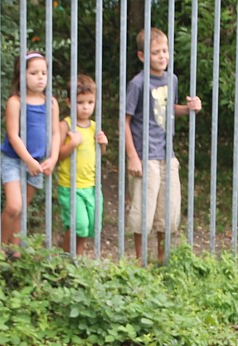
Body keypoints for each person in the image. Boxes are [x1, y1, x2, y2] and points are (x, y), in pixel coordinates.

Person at [125, 27, 201, 263]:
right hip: (145, 156)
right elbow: (124, 121)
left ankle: (161, 258)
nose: (162, 56)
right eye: (156, 52)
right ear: (142, 56)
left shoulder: (172, 79)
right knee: (143, 211)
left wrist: (189, 108)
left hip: (167, 154)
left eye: (165, 51)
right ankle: (140, 261)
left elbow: (169, 109)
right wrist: (132, 156)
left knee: (167, 210)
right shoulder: (138, 84)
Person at [0, 51, 60, 256]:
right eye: (34, 73)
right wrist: (28, 160)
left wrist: (52, 158)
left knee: (22, 208)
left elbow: (55, 133)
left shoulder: (51, 103)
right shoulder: (15, 102)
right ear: (22, 75)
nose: (40, 77)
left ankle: (15, 252)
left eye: (44, 72)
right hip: (15, 160)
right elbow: (13, 135)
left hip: (38, 163)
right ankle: (1, 247)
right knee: (13, 206)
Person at [57, 74, 108, 256]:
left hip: (91, 186)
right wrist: (72, 144)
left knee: (90, 226)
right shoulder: (66, 125)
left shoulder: (94, 126)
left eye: (90, 102)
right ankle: (65, 257)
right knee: (79, 224)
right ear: (70, 103)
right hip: (71, 186)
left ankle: (77, 258)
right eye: (80, 102)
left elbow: (99, 155)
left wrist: (103, 145)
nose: (85, 107)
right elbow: (58, 155)